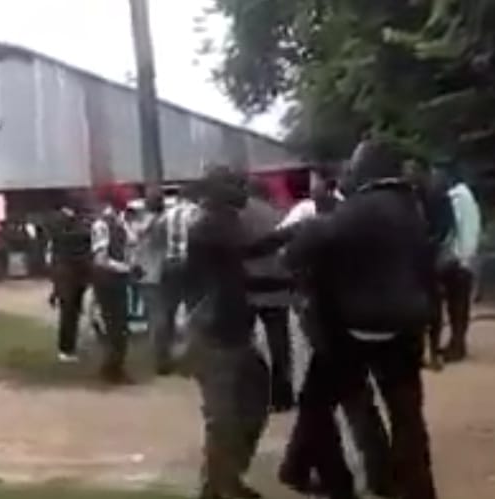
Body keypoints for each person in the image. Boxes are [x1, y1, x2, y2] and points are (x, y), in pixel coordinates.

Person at [279, 139, 438, 499]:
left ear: (365, 170)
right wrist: (433, 329)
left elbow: (298, 252)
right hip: (406, 325)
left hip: (354, 328)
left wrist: (297, 246)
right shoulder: (413, 210)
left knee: (318, 402)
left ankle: (317, 475)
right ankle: (416, 490)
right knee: (407, 417)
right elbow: (428, 273)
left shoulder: (355, 210)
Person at [186, 167, 269, 499]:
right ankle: (220, 487)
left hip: (235, 331)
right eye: (237, 186)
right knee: (224, 419)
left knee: (254, 406)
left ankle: (223, 480)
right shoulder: (210, 224)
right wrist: (297, 231)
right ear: (217, 191)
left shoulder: (227, 222)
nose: (244, 192)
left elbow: (242, 271)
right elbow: (251, 249)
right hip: (214, 335)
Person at [241, 179, 296, 413]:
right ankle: (282, 396)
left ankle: (249, 395)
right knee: (279, 345)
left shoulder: (240, 215)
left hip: (249, 287)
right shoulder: (280, 214)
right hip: (278, 288)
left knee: (243, 343)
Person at [408, 162, 458, 371]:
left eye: (413, 171)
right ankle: (426, 351)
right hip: (420, 256)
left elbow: (447, 226)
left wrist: (431, 243)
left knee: (430, 306)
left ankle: (431, 351)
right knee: (425, 307)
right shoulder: (411, 197)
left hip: (425, 257)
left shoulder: (432, 196)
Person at [435, 165, 482, 363]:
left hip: (460, 258)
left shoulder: (458, 198)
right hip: (463, 256)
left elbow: (462, 228)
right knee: (457, 305)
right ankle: (456, 343)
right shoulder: (463, 196)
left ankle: (458, 345)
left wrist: (461, 255)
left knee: (458, 305)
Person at [91, 194, 139, 384]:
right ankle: (112, 368)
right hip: (107, 280)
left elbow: (132, 241)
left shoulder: (120, 223)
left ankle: (113, 367)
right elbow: (100, 259)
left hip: (116, 279)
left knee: (120, 326)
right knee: (115, 326)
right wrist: (126, 268)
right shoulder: (102, 225)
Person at [156, 184, 201, 373]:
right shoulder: (196, 213)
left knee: (166, 311)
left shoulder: (167, 214)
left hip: (170, 263)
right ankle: (191, 360)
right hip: (190, 264)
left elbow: (158, 236)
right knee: (194, 311)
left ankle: (162, 360)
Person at [47, 198, 93, 363]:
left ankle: (69, 346)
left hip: (71, 274)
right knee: (69, 312)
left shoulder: (67, 225)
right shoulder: (66, 225)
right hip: (69, 274)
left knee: (72, 312)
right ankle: (66, 348)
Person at [133, 194, 173, 374]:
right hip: (156, 274)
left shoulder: (150, 224)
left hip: (150, 275)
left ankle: (161, 357)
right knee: (160, 318)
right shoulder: (161, 223)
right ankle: (161, 358)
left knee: (158, 318)